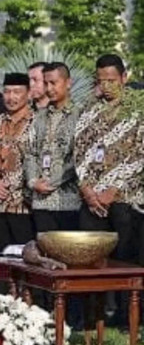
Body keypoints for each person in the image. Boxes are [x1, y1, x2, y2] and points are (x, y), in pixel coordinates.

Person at [75, 54, 143, 263]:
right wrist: (87, 189)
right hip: (92, 200)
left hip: (125, 201)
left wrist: (114, 190)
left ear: (124, 77)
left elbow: (140, 155)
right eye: (101, 81)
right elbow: (78, 151)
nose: (106, 86)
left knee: (124, 263)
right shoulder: (89, 111)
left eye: (111, 81)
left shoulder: (138, 110)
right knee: (92, 262)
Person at [25, 62, 81, 232]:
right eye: (46, 83)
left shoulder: (80, 115)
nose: (49, 88)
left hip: (68, 201)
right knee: (44, 253)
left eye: (54, 83)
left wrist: (51, 182)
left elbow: (79, 156)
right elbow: (30, 153)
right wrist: (34, 182)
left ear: (68, 82)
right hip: (41, 202)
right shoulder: (39, 117)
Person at [0, 73, 34, 257]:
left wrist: (8, 185)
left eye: (17, 92)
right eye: (7, 92)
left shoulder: (37, 124)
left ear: (28, 94)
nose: (11, 97)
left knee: (24, 259)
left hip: (23, 206)